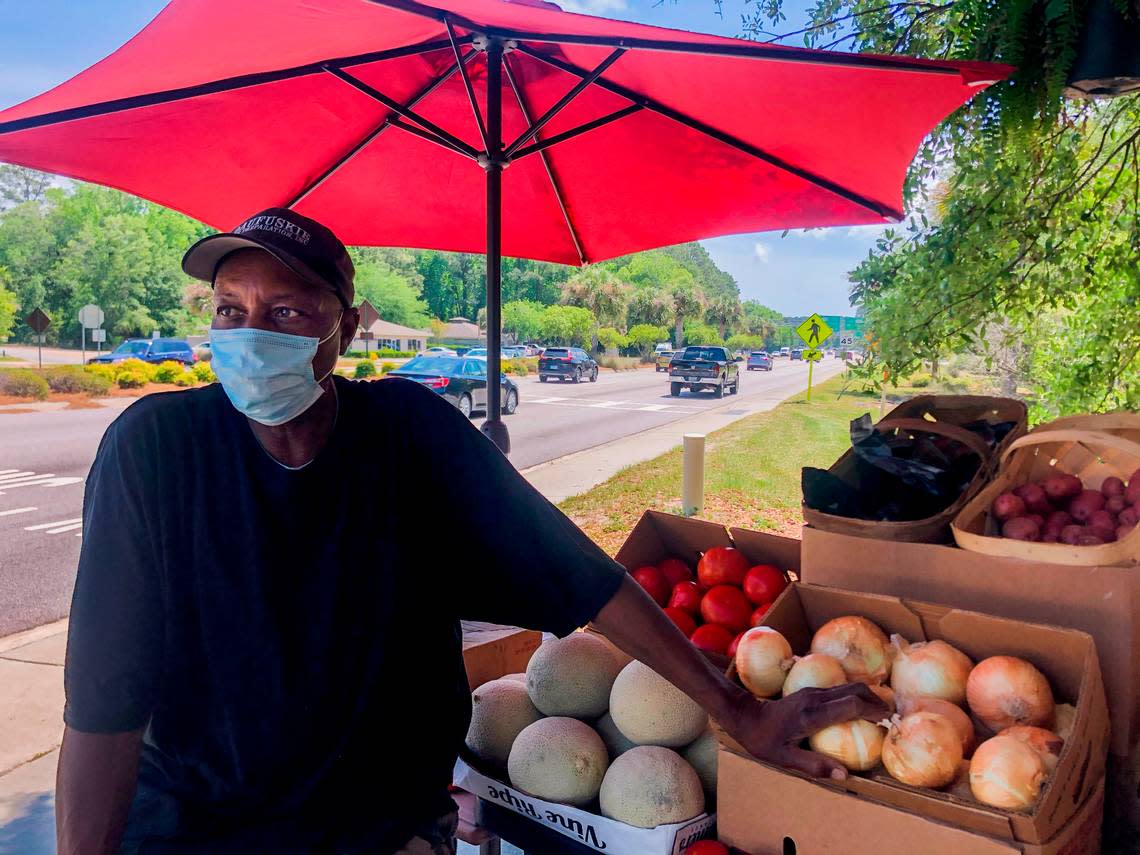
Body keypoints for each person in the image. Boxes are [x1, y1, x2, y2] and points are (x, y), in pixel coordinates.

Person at [56, 208, 884, 855]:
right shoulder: (155, 450)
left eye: (285, 311)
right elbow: (103, 707)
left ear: (344, 331)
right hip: (200, 827)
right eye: (230, 310)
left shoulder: (410, 437)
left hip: (378, 827)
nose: (250, 336)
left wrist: (737, 709)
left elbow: (582, 577)